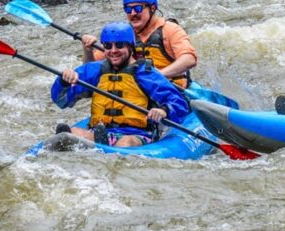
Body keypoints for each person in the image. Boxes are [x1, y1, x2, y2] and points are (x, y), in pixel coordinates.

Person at [53, 22, 191, 147]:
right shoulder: (94, 70)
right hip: (100, 131)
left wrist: (164, 110)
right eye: (107, 46)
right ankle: (93, 143)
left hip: (137, 134)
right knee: (71, 133)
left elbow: (179, 103)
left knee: (125, 142)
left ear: (130, 46)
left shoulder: (146, 73)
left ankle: (105, 148)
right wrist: (63, 81)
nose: (113, 51)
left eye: (119, 45)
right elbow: (61, 101)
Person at [82, 0, 197, 88]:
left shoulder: (170, 29)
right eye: (128, 9)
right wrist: (87, 50)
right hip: (137, 93)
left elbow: (189, 59)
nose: (132, 13)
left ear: (152, 8)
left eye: (138, 8)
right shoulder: (123, 33)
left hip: (171, 91)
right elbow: (90, 70)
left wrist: (159, 75)